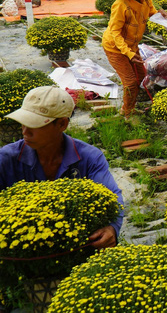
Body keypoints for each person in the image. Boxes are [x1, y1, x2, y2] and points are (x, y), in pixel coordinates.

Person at [0, 86, 124, 249]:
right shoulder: (6, 159)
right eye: (23, 122)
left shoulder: (89, 158)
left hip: (77, 247)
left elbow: (112, 197)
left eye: (34, 124)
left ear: (62, 124)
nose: (25, 131)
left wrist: (112, 228)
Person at [102, 0, 167, 118]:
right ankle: (126, 113)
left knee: (140, 76)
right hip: (115, 48)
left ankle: (131, 107)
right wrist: (129, 54)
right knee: (130, 82)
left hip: (132, 45)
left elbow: (151, 12)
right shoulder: (120, 5)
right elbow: (115, 33)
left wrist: (161, 14)